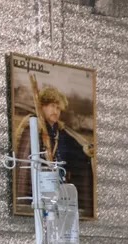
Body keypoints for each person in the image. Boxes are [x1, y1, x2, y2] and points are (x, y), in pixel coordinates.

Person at [13, 85, 96, 217]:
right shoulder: (32, 128)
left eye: (58, 108)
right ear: (42, 106)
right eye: (52, 106)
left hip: (57, 189)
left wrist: (86, 151)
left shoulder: (61, 133)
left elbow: (76, 153)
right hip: (37, 188)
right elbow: (26, 164)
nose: (56, 111)